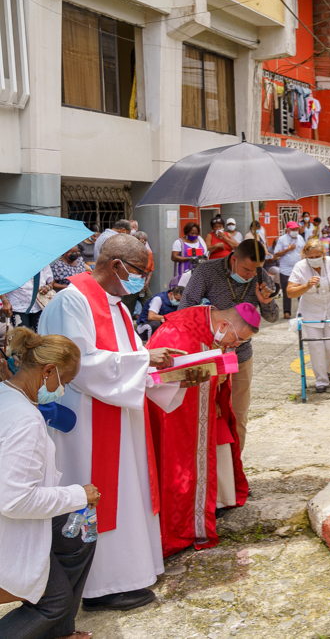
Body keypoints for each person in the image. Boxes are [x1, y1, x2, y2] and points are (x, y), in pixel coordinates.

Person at [37, 234, 188, 611]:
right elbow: (77, 365)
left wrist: (170, 370)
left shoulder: (116, 306)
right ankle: (101, 585)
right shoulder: (71, 301)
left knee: (128, 493)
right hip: (87, 424)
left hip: (120, 417)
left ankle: (130, 572)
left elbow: (130, 358)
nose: (142, 281)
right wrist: (144, 362)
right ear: (114, 264)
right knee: (98, 497)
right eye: (138, 271)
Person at [0, 328, 101, 639]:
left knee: (79, 534)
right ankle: (51, 621)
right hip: (8, 522)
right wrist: (77, 494)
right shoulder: (25, 420)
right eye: (65, 382)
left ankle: (58, 634)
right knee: (53, 602)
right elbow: (14, 500)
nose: (63, 390)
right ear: (47, 371)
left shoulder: (7, 394)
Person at [148, 304, 259, 556]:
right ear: (224, 325)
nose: (234, 346)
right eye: (237, 339)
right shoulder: (177, 334)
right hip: (175, 418)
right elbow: (155, 382)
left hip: (205, 411)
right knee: (178, 468)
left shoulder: (212, 330)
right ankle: (181, 526)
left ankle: (205, 508)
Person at [179, 239, 279, 449]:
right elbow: (185, 309)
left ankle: (235, 470)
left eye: (254, 270)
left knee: (238, 415)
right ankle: (209, 467)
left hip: (241, 356)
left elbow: (272, 317)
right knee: (207, 414)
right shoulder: (207, 271)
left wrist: (265, 301)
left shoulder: (260, 276)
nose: (250, 275)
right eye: (245, 269)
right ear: (234, 259)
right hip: (209, 355)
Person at [286, 238, 330, 393]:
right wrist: (306, 285)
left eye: (317, 256)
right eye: (310, 257)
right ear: (305, 255)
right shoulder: (300, 267)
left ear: (323, 255)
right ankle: (321, 380)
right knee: (316, 346)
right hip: (310, 311)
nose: (313, 260)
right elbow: (290, 292)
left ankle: (328, 370)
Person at [272, 222, 306, 318]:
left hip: (298, 269)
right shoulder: (282, 239)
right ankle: (287, 312)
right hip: (285, 269)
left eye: (296, 229)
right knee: (287, 291)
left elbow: (303, 251)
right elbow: (276, 254)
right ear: (288, 230)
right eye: (293, 229)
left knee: (300, 290)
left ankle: (302, 311)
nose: (295, 231)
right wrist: (288, 249)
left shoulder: (300, 238)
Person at [171, 222, 208, 286]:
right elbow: (174, 257)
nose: (194, 235)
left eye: (196, 233)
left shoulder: (200, 240)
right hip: (184, 274)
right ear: (187, 232)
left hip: (200, 273)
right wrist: (190, 258)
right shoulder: (179, 242)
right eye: (192, 233)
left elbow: (205, 253)